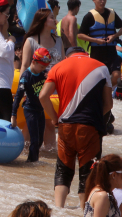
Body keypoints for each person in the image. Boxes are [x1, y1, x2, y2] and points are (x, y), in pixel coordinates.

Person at [39, 46, 113, 208]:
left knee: (63, 169)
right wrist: (94, 118)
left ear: (68, 56)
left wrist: (55, 118)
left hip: (65, 126)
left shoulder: (58, 67)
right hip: (90, 128)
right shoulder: (101, 67)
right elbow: (108, 104)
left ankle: (59, 209)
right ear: (85, 54)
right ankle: (83, 209)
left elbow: (43, 96)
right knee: (88, 172)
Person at [78, 0, 122, 87]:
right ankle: (103, 93)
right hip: (97, 52)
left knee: (117, 76)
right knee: (97, 78)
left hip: (111, 51)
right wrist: (95, 40)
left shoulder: (112, 13)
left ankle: (108, 91)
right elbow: (80, 35)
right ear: (93, 0)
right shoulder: (89, 16)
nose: (102, 2)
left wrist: (114, 36)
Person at [11, 48, 52, 162]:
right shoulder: (26, 77)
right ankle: (31, 163)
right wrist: (13, 115)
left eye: (45, 67)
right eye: (42, 67)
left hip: (40, 110)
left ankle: (33, 161)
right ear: (33, 62)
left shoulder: (43, 73)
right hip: (30, 109)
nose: (44, 69)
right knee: (34, 140)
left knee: (39, 140)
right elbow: (18, 96)